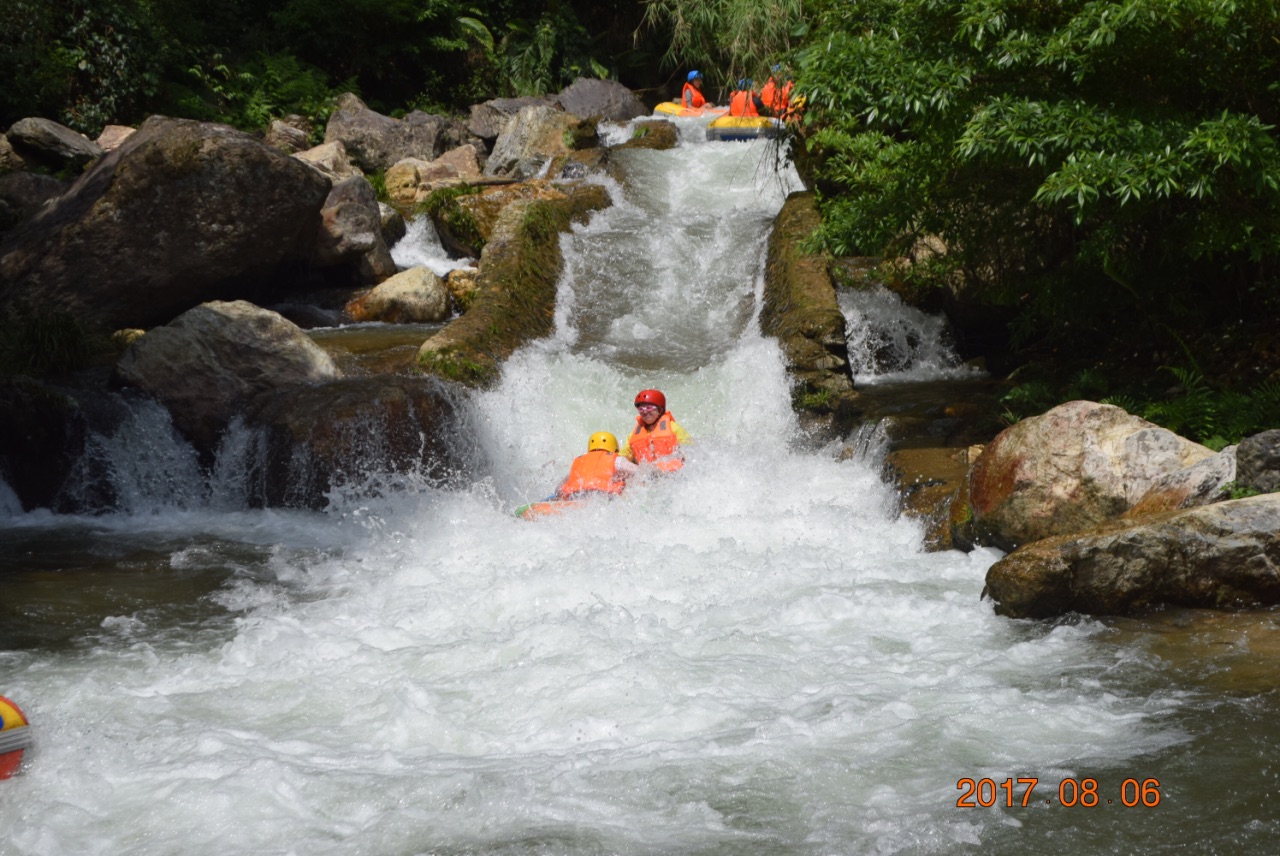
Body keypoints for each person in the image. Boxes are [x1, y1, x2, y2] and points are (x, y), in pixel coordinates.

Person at [620, 389, 691, 473]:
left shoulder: (674, 428)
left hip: (673, 475)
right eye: (641, 409)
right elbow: (623, 458)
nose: (645, 412)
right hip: (648, 478)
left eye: (649, 408)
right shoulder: (633, 435)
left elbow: (690, 452)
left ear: (660, 410)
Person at [556, 431, 638, 500]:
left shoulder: (578, 460)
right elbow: (639, 472)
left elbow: (559, 490)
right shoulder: (617, 460)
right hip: (603, 496)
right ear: (614, 448)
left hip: (575, 496)